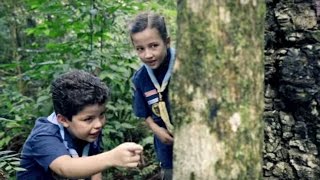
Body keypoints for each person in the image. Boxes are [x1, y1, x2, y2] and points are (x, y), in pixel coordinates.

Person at [17, 70, 143, 180]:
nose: (99, 124)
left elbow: (95, 166)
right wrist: (112, 157)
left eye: (102, 115)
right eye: (88, 118)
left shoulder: (90, 130)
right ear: (63, 120)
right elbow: (65, 167)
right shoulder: (43, 137)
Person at [129, 11, 175, 180]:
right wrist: (157, 130)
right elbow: (144, 114)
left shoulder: (184, 66)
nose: (147, 55)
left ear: (167, 42)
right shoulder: (140, 78)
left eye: (154, 46)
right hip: (167, 149)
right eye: (140, 49)